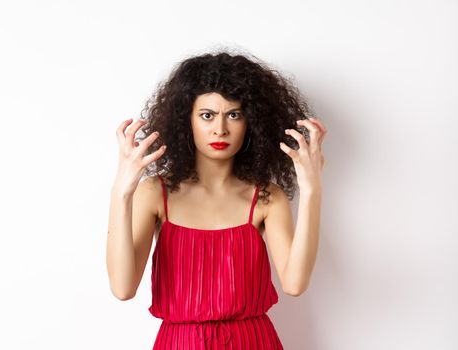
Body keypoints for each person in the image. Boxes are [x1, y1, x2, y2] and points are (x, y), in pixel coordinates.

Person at [106, 50, 327, 349]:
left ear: (251, 122)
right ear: (188, 121)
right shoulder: (155, 194)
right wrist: (121, 192)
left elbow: (295, 284)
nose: (220, 128)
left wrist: (311, 189)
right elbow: (122, 288)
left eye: (233, 114)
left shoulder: (265, 197)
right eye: (207, 115)